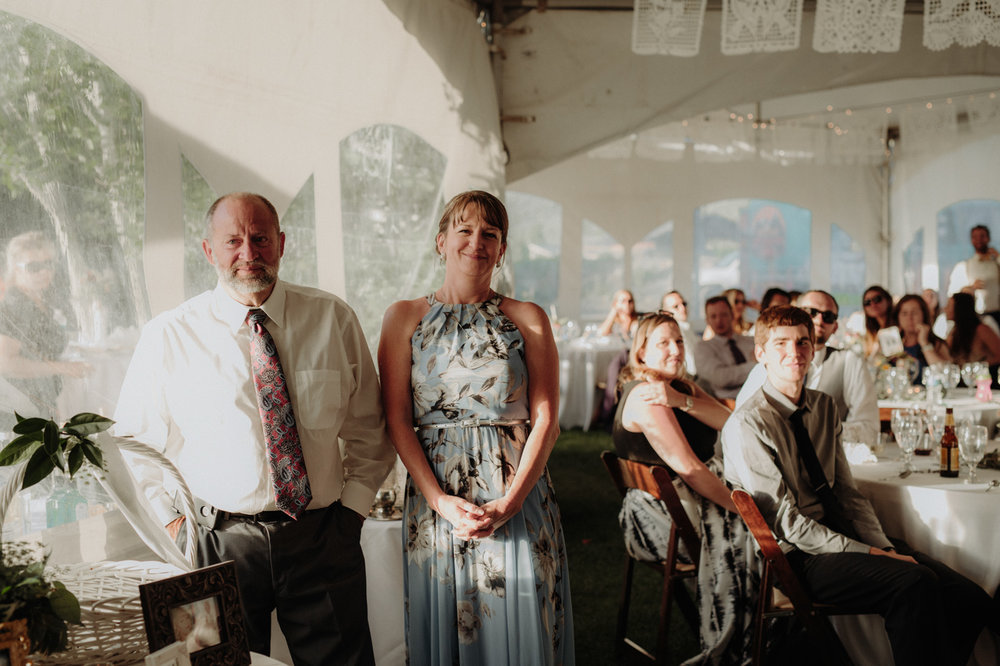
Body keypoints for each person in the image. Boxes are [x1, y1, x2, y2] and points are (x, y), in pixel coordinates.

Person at [114, 192, 396, 664]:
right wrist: (174, 523)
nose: (249, 253)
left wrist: (351, 513)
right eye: (233, 241)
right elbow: (133, 442)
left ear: (282, 243)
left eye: (260, 238)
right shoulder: (169, 335)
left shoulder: (333, 318)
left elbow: (370, 426)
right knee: (213, 664)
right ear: (209, 251)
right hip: (213, 542)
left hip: (323, 537)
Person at [723, 305, 996, 666]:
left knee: (969, 598)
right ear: (761, 354)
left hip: (844, 536)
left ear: (814, 348)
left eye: (803, 342)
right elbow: (786, 523)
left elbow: (846, 494)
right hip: (798, 558)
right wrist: (869, 554)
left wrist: (880, 544)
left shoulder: (823, 407)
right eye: (781, 344)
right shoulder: (747, 424)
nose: (795, 352)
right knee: (914, 583)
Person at [378, 190, 574, 665]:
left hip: (517, 492)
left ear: (502, 249)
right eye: (464, 230)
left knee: (525, 614)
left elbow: (546, 419)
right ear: (441, 241)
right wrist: (439, 501)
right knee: (448, 621)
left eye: (490, 233)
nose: (476, 242)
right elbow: (398, 419)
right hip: (437, 498)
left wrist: (511, 501)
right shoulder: (404, 317)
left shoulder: (527, 317)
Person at [613, 312, 754, 664]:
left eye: (678, 341)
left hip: (685, 508)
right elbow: (689, 468)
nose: (675, 350)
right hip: (665, 524)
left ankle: (760, 631)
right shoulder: (645, 395)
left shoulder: (680, 387)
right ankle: (754, 639)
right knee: (762, 530)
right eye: (663, 343)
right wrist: (742, 509)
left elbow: (731, 422)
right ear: (641, 352)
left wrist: (682, 400)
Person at [735, 290, 879, 445]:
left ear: (835, 327)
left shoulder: (849, 362)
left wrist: (819, 432)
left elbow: (869, 430)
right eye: (811, 312)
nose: (819, 320)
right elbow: (740, 423)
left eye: (828, 316)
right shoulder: (768, 363)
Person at [0, 231, 88, 422]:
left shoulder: (39, 301)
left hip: (43, 404)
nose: (44, 272)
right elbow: (6, 364)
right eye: (34, 267)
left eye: (49, 264)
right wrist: (61, 367)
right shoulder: (17, 305)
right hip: (23, 414)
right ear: (15, 269)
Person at [694, 296, 756, 400]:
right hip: (727, 403)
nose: (719, 321)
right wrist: (755, 365)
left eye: (723, 315)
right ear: (707, 320)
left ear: (732, 315)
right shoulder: (703, 348)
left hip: (760, 396)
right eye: (713, 316)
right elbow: (721, 378)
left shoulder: (752, 341)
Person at [947, 224, 1000, 324]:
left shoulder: (996, 264)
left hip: (997, 314)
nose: (979, 239)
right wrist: (970, 288)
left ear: (988, 239)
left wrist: (998, 256)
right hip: (974, 315)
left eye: (982, 236)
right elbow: (953, 293)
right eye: (975, 237)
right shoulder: (964, 265)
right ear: (971, 240)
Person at [894, 293, 950, 382]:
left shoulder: (937, 343)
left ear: (923, 315)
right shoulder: (895, 344)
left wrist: (924, 343)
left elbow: (945, 375)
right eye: (904, 313)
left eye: (914, 313)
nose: (910, 318)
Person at [946, 291, 1000, 370]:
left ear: (959, 309)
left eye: (948, 306)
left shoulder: (981, 330)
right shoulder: (953, 332)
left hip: (984, 378)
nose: (945, 309)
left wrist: (977, 367)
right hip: (964, 379)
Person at [661, 290, 697, 375]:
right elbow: (692, 368)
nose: (683, 308)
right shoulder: (676, 333)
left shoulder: (688, 328)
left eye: (684, 304)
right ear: (666, 313)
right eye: (676, 306)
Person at [861, 285, 892, 360]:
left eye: (877, 299)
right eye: (867, 302)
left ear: (888, 300)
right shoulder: (872, 332)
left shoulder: (897, 329)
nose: (872, 304)